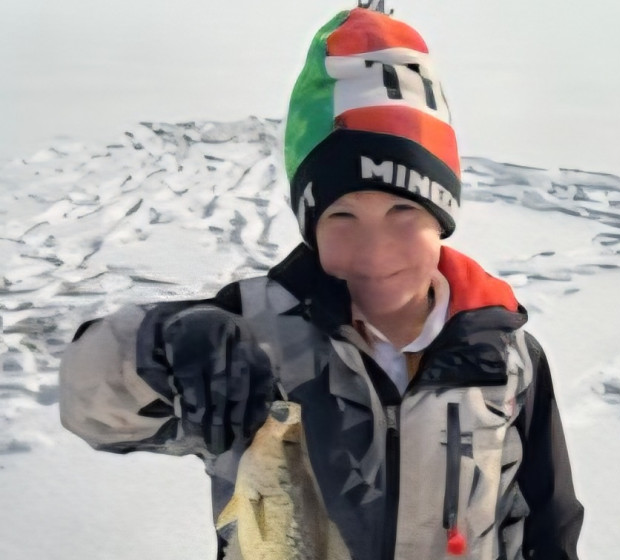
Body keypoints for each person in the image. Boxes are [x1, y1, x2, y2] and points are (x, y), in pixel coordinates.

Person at [59, 6, 584, 560]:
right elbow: (91, 408)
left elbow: (547, 524)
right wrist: (160, 348)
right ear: (311, 227)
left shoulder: (506, 358)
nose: (375, 251)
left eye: (404, 210)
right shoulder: (253, 337)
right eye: (342, 216)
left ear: (443, 216)